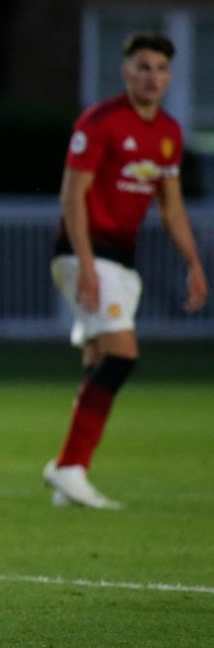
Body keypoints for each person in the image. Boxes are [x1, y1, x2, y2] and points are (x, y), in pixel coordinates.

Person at [44, 32, 208, 508]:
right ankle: (70, 466)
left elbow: (171, 208)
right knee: (122, 356)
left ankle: (70, 479)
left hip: (120, 259)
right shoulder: (100, 122)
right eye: (142, 66)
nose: (151, 77)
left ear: (170, 76)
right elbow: (72, 195)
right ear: (125, 71)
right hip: (85, 253)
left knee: (100, 360)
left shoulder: (169, 134)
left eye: (160, 68)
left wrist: (194, 264)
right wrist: (88, 266)